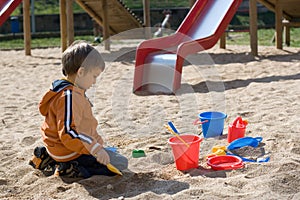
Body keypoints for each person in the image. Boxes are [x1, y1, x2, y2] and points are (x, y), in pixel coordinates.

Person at [29, 41, 127, 178]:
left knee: (112, 157)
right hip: (67, 150)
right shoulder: (69, 97)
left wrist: (97, 143)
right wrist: (95, 149)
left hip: (60, 146)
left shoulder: (72, 91)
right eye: (94, 76)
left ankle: (48, 157)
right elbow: (69, 132)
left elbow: (84, 125)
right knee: (119, 164)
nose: (94, 82)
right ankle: (68, 168)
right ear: (81, 72)